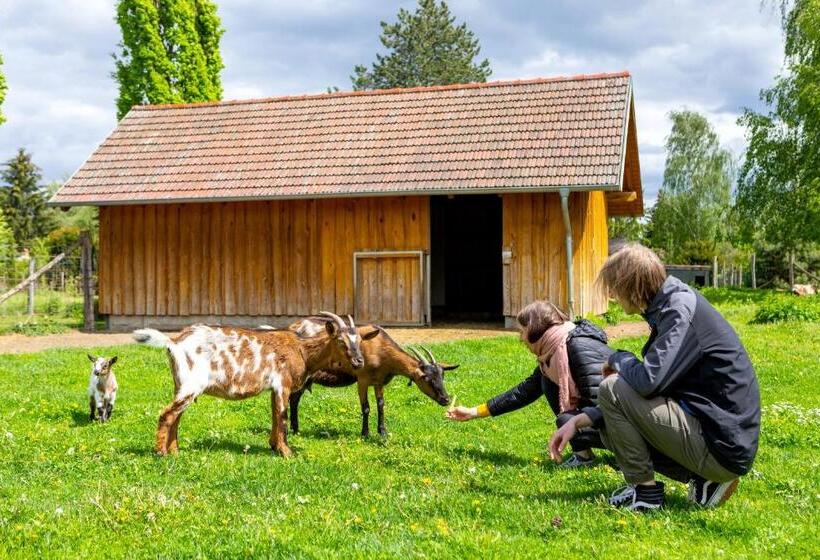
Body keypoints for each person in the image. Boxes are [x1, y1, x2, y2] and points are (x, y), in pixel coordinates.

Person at [549, 244, 760, 511]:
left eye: (614, 288)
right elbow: (651, 391)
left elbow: (648, 382)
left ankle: (646, 495)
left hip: (722, 445)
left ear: (631, 285)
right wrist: (580, 421)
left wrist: (618, 359)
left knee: (612, 388)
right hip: (719, 439)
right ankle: (705, 480)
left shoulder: (678, 310)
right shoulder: (668, 305)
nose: (612, 296)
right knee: (611, 418)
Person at [446, 300, 613, 467]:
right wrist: (474, 412)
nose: (521, 338)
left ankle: (623, 454)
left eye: (522, 331)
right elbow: (524, 392)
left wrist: (572, 423)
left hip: (621, 421)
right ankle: (583, 456)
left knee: (566, 419)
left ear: (536, 327)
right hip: (608, 417)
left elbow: (601, 402)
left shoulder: (576, 346)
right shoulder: (554, 350)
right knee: (547, 384)